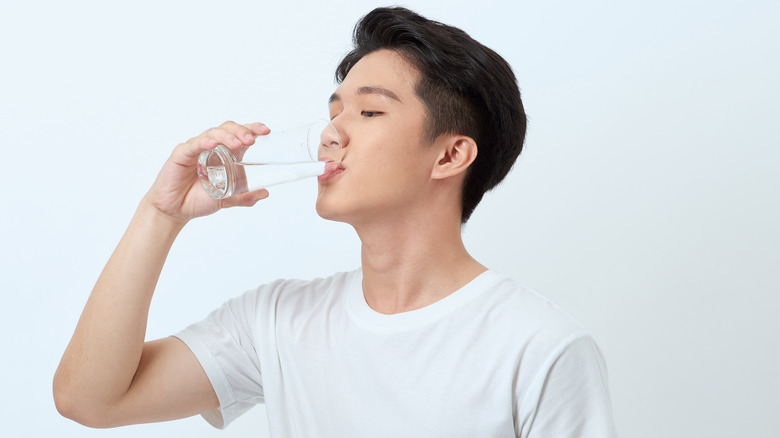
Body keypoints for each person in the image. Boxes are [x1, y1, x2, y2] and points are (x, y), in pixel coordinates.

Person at [54, 6, 617, 437]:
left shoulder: (540, 347)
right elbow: (91, 400)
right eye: (333, 112)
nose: (331, 133)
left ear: (450, 156)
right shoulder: (275, 321)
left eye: (369, 112)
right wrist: (160, 215)